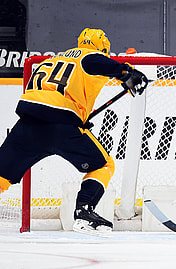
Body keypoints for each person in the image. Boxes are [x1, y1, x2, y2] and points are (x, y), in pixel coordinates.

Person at [0, 28, 149, 236]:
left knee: (2, 176)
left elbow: (55, 92)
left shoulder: (50, 61)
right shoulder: (89, 56)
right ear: (102, 47)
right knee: (104, 164)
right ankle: (84, 212)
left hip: (28, 124)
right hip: (61, 125)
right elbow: (98, 63)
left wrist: (79, 117)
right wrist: (126, 73)